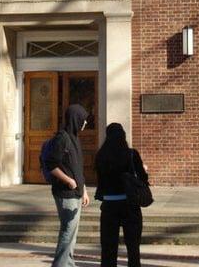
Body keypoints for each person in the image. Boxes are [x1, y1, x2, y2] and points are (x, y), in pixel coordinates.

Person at [95, 123, 148, 267]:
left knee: (108, 248)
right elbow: (143, 178)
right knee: (133, 247)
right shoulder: (131, 154)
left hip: (109, 205)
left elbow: (100, 181)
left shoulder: (101, 155)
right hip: (129, 204)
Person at [45, 104, 90, 267]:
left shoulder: (75, 139)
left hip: (76, 192)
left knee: (72, 232)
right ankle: (62, 264)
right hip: (65, 193)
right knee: (68, 231)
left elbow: (77, 168)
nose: (85, 124)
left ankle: (67, 262)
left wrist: (84, 190)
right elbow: (51, 164)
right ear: (75, 119)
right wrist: (68, 181)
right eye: (83, 120)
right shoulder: (62, 138)